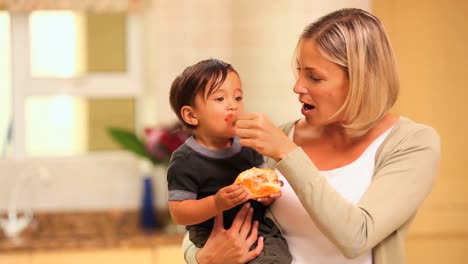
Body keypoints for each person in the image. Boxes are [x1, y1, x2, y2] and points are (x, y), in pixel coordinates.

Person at [183, 8, 441, 264]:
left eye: (314, 77)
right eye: (299, 71)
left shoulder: (413, 144)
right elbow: (208, 219)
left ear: (361, 81)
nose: (297, 86)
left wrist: (288, 154)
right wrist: (202, 258)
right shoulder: (280, 137)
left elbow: (357, 237)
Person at [167, 58, 292, 264]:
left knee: (279, 258)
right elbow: (180, 213)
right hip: (211, 239)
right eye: (219, 99)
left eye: (238, 97)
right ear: (191, 115)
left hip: (259, 229)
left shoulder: (247, 145)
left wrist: (268, 195)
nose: (233, 106)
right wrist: (217, 203)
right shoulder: (185, 160)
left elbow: (265, 184)